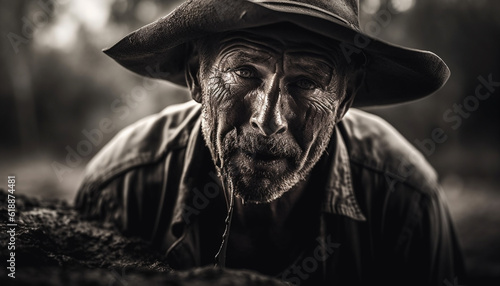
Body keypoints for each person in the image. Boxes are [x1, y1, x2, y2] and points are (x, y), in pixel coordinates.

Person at [75, 0, 466, 285]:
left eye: (306, 82)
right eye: (244, 72)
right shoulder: (122, 186)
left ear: (345, 97)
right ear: (196, 74)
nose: (268, 121)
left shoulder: (403, 198)